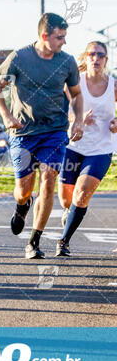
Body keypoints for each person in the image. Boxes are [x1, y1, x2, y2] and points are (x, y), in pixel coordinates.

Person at [0, 13, 84, 259]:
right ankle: (23, 205)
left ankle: (34, 241)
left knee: (48, 177)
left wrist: (79, 120)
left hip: (54, 132)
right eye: (59, 37)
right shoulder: (20, 57)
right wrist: (6, 116)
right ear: (45, 36)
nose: (64, 42)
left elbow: (75, 94)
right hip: (23, 132)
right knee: (23, 189)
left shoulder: (67, 61)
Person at [56, 41, 117, 256]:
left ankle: (64, 241)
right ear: (86, 57)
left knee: (81, 195)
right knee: (66, 200)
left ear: (106, 60)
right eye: (92, 54)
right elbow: (61, 111)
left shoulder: (114, 85)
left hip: (101, 148)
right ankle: (69, 211)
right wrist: (77, 118)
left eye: (101, 55)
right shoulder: (74, 84)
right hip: (73, 145)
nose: (96, 58)